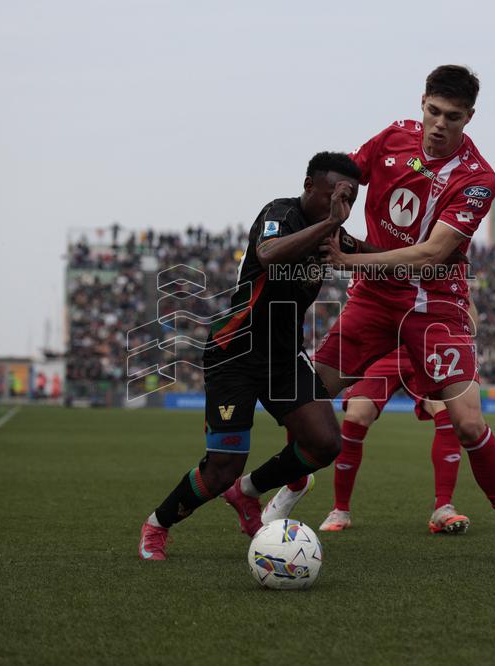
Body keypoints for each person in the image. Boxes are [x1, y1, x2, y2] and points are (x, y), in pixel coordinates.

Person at [314, 65, 495, 564]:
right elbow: (346, 177)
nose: (440, 124)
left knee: (467, 422)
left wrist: (349, 259)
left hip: (435, 305)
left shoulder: (477, 179)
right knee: (309, 394)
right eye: (433, 112)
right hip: (376, 298)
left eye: (453, 116)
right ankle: (282, 494)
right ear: (421, 103)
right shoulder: (391, 138)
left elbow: (432, 253)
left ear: (469, 118)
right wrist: (330, 208)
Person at [139, 151, 361, 561]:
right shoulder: (281, 213)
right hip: (235, 353)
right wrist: (332, 222)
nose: (340, 207)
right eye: (333, 195)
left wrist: (435, 252)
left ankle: (246, 492)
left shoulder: (335, 235)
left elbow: (375, 257)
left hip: (283, 358)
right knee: (222, 465)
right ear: (309, 185)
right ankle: (157, 524)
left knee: (325, 443)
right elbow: (270, 254)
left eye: (349, 199)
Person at [314, 347, 469, 534]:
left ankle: (443, 508)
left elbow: (470, 320)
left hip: (421, 350)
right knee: (356, 416)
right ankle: (340, 510)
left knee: (446, 410)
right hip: (381, 349)